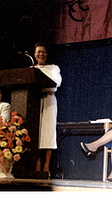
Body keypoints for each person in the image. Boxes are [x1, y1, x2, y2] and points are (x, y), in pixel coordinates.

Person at [34, 42, 62, 178]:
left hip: (49, 100)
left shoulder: (53, 68)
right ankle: (37, 166)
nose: (41, 54)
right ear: (34, 54)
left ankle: (46, 168)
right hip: (33, 101)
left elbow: (57, 82)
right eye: (39, 52)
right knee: (36, 134)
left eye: (44, 52)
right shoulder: (31, 69)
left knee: (48, 133)